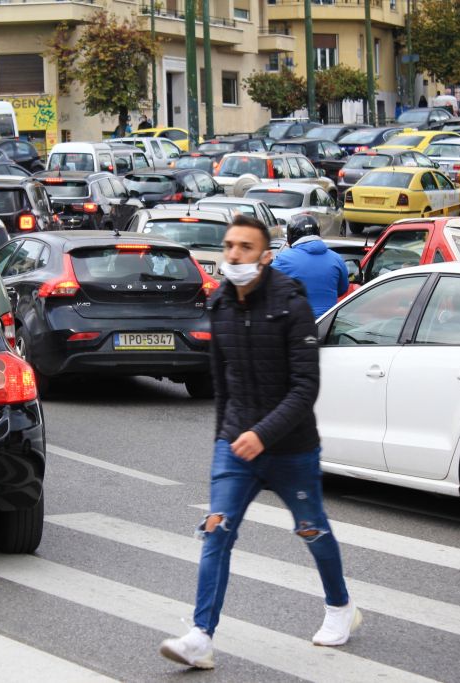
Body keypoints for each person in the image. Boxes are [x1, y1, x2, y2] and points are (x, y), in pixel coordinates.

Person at [159, 215, 359, 671]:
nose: (234, 255)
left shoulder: (291, 303)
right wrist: (222, 444)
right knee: (217, 530)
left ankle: (339, 606)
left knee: (312, 528)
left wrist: (262, 434)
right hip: (235, 444)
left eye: (245, 248)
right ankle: (200, 637)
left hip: (291, 447)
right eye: (229, 246)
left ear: (265, 256)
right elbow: (222, 381)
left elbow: (305, 387)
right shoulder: (220, 304)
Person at [271, 215, 349, 318]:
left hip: (298, 324)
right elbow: (342, 289)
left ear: (291, 236)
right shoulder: (337, 258)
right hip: (328, 324)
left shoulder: (283, 259)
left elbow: (266, 288)